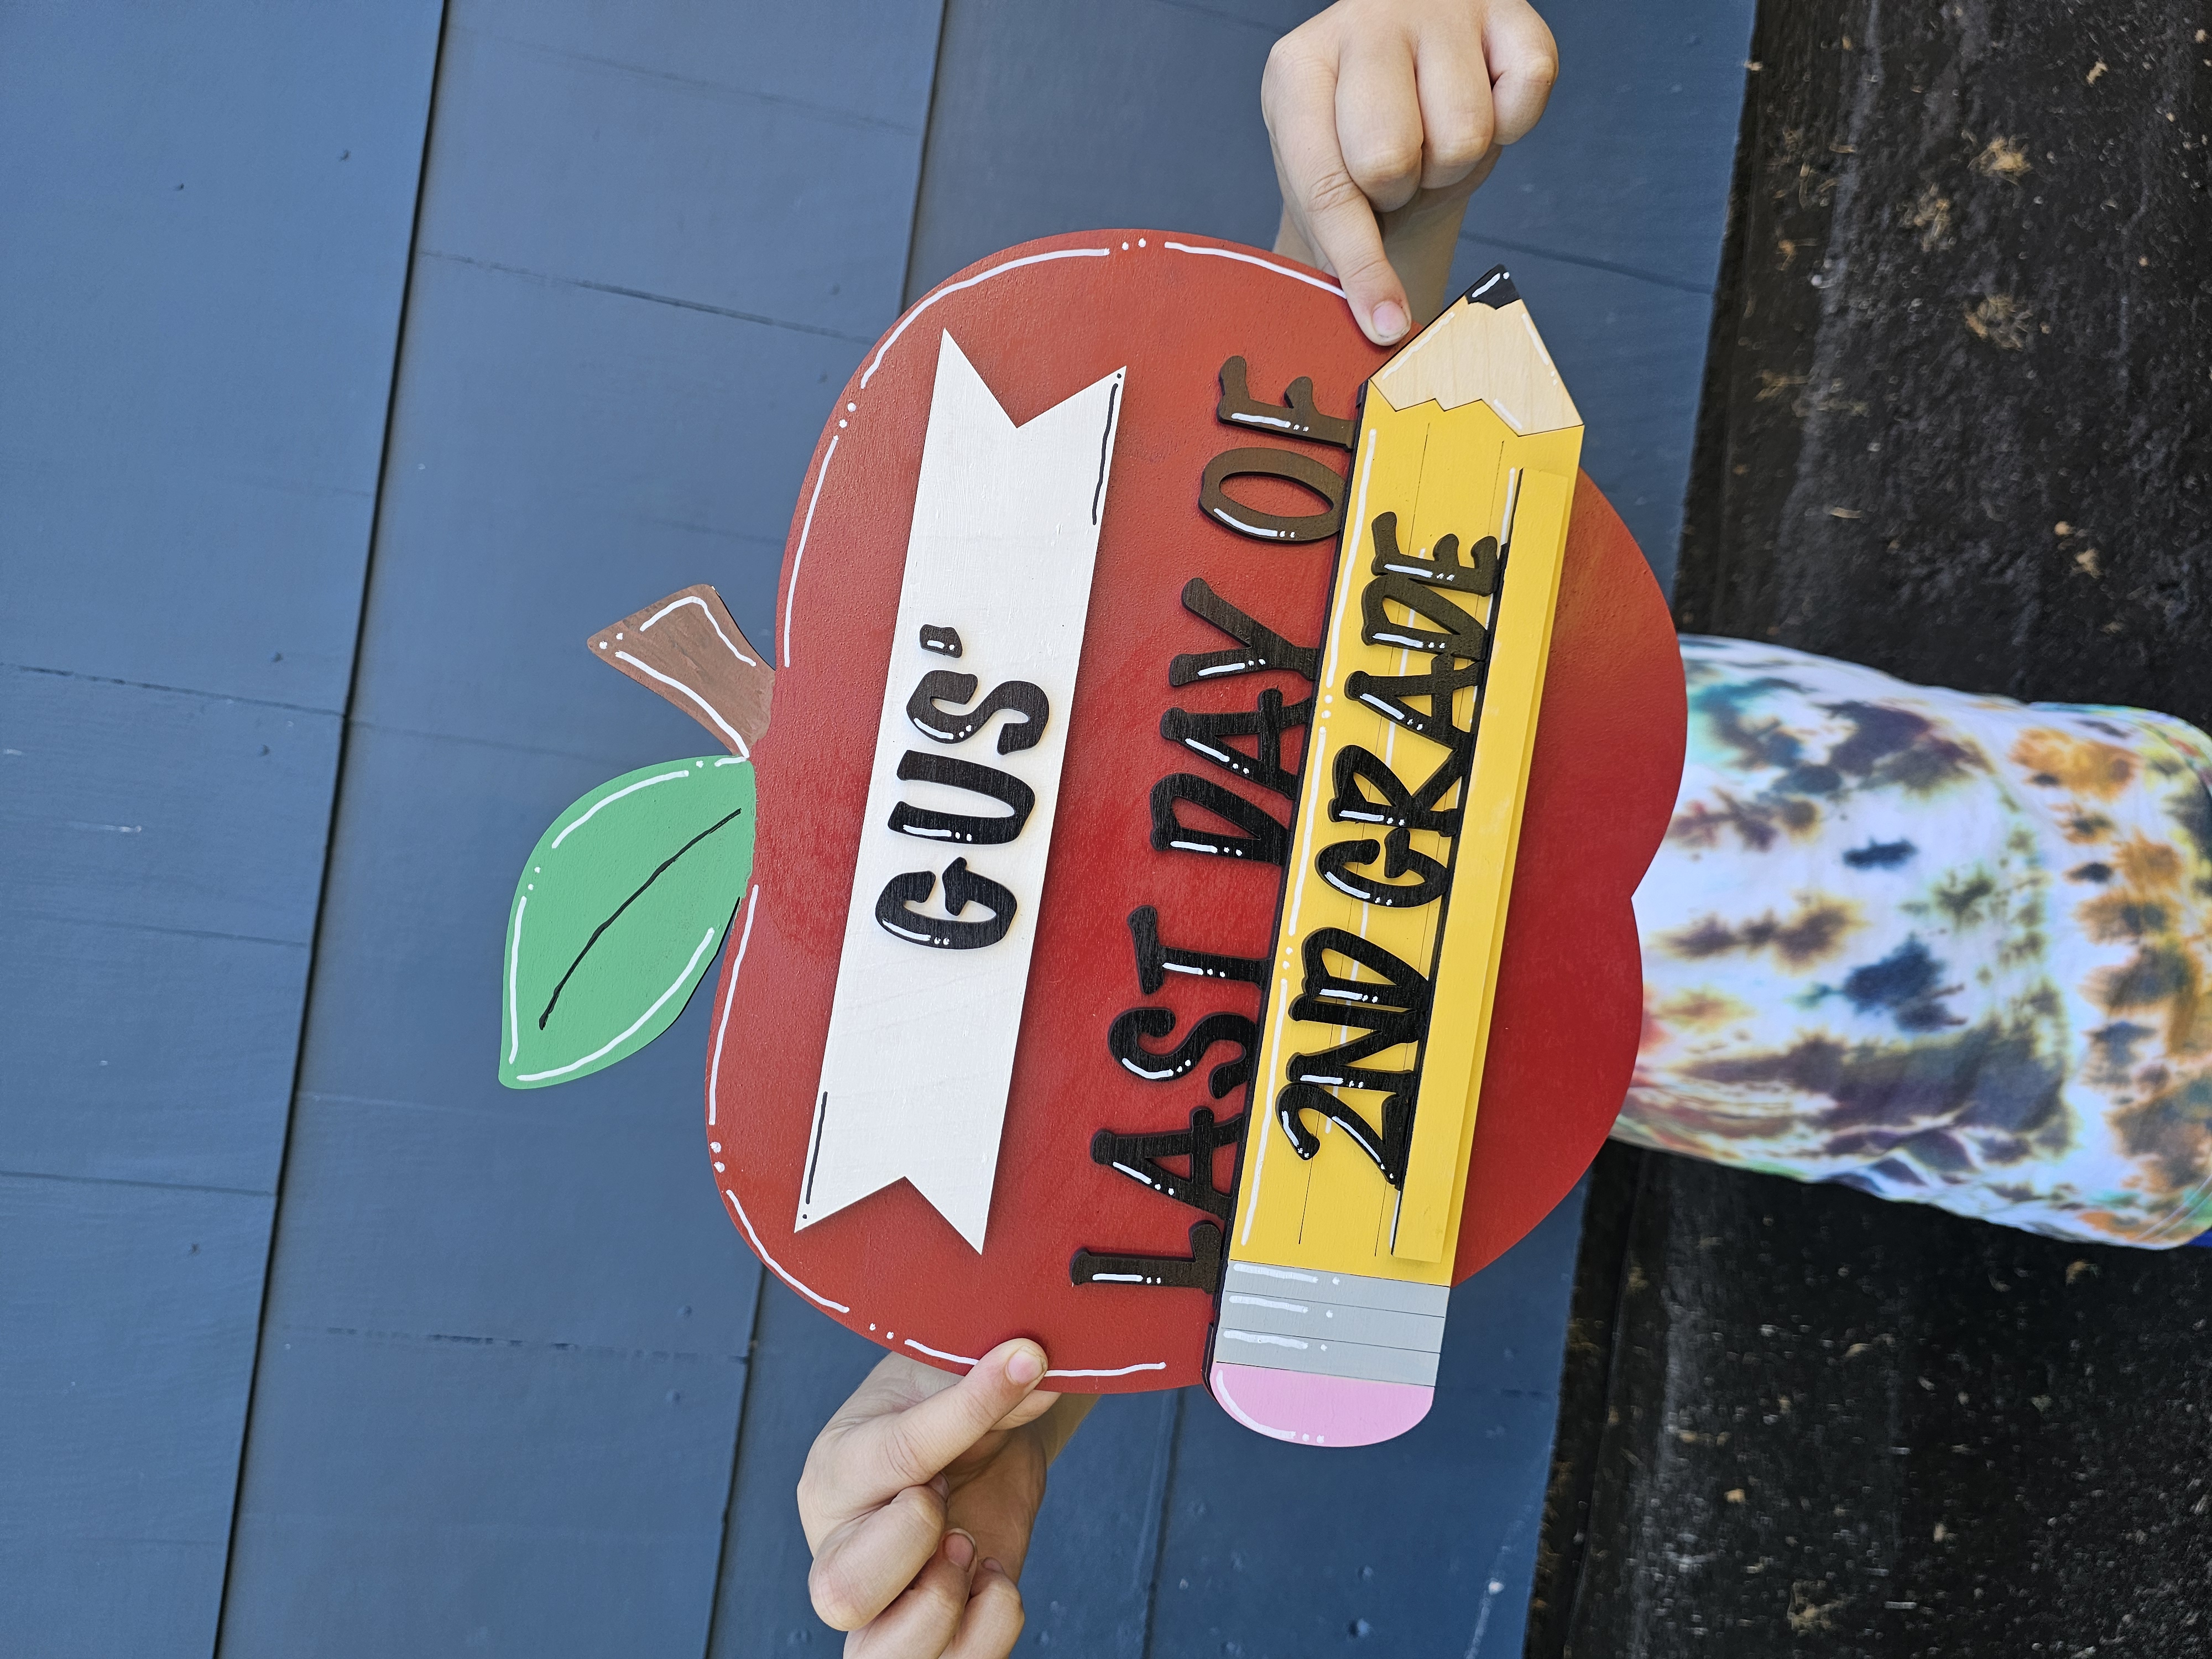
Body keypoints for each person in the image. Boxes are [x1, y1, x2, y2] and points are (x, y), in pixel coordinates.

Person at [790, 3, 1559, 1653]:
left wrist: (1379, 192)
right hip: (1789, 1073)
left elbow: (1279, 532)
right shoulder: (1123, 1029)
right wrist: (1024, 1352)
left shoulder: (1199, 616)